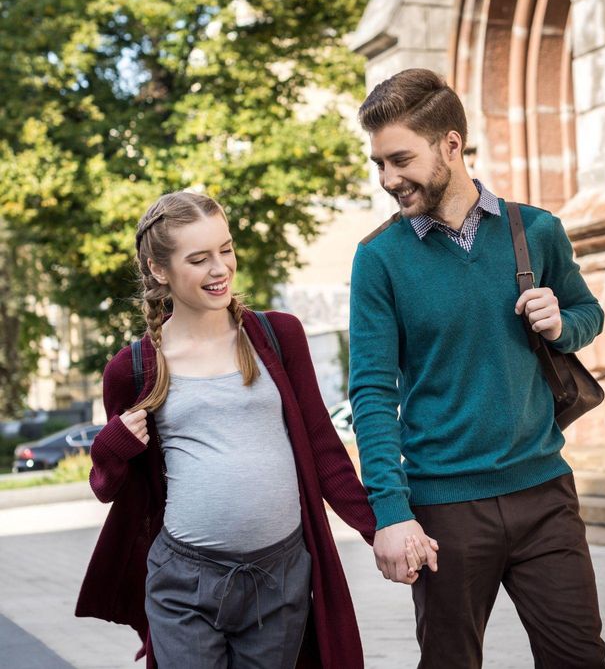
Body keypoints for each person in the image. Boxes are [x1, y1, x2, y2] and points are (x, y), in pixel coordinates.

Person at [350, 68, 605, 668]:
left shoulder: (536, 231)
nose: (389, 179)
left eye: (400, 160)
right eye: (379, 165)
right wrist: (390, 512)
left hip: (545, 495)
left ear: (450, 144)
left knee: (580, 660)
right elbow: (370, 392)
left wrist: (561, 322)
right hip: (444, 509)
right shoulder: (379, 259)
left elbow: (587, 313)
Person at [75, 192, 382, 668]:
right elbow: (109, 486)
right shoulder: (134, 369)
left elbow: (323, 448)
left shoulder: (279, 337)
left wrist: (379, 527)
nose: (220, 268)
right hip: (186, 583)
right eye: (198, 259)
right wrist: (113, 445)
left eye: (226, 249)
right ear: (160, 269)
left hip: (279, 580)